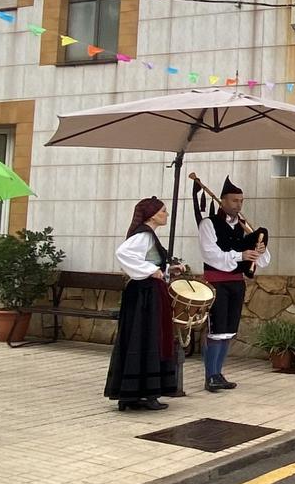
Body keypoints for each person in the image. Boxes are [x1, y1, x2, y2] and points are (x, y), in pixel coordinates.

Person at [106, 197, 184, 411]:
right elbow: (123, 253)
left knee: (141, 338)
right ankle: (147, 394)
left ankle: (133, 394)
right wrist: (151, 271)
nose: (166, 214)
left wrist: (168, 270)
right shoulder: (144, 235)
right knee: (148, 338)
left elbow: (149, 263)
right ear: (152, 215)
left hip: (146, 292)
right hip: (145, 295)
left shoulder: (147, 235)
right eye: (163, 211)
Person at [190, 172, 254, 392]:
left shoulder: (244, 226)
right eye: (235, 200)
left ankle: (219, 373)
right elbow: (211, 255)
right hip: (216, 283)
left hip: (237, 283)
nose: (239, 205)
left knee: (228, 330)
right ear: (223, 200)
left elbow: (257, 255)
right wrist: (240, 255)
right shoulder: (209, 224)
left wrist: (258, 250)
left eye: (241, 201)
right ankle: (210, 375)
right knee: (216, 329)